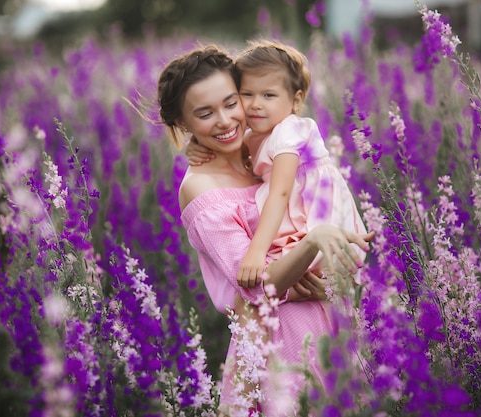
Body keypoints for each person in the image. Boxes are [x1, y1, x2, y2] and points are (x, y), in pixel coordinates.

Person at [157, 44, 373, 416]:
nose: (225, 121)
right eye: (204, 114)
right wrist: (310, 245)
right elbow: (254, 285)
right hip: (278, 342)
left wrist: (330, 277)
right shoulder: (200, 190)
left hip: (329, 317)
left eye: (232, 102)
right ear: (183, 123)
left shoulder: (255, 149)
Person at [188, 40, 368, 290]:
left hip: (319, 216)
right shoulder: (258, 134)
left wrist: (256, 251)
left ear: (296, 100)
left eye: (268, 95)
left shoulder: (289, 131)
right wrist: (196, 142)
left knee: (296, 275)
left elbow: (280, 192)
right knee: (295, 280)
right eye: (246, 94)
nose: (255, 104)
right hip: (301, 222)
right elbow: (228, 143)